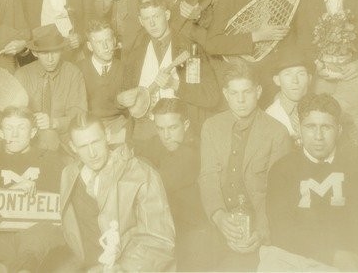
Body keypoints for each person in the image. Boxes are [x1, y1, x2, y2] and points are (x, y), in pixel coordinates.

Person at [266, 93, 358, 270]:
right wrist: (331, 256)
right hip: (303, 260)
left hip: (356, 260)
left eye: (326, 127)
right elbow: (281, 231)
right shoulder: (282, 169)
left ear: (339, 130)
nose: (318, 136)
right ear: (299, 128)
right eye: (310, 127)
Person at [199, 58, 291, 270]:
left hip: (258, 228)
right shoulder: (211, 127)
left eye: (247, 92)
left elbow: (280, 194)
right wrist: (218, 216)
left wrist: (261, 232)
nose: (240, 100)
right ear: (225, 94)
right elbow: (208, 177)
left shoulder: (277, 133)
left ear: (258, 92)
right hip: (220, 222)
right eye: (234, 93)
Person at [59, 114, 175, 271]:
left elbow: (160, 240)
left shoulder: (141, 173)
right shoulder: (68, 175)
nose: (92, 153)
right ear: (73, 147)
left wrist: (122, 269)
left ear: (107, 136)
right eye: (83, 146)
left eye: (96, 142)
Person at [119, 0, 220, 141]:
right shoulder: (135, 55)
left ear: (167, 15)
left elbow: (212, 97)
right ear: (141, 21)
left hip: (181, 134)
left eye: (156, 16)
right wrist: (122, 99)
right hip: (145, 132)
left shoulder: (190, 49)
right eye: (147, 19)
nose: (152, 24)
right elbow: (125, 97)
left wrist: (175, 85)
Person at [0, 107, 65, 272]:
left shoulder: (50, 159)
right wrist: (10, 192)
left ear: (33, 132)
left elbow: (57, 206)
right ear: (0, 133)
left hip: (36, 234)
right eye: (9, 128)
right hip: (2, 234)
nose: (15, 134)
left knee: (32, 248)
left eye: (21, 128)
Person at [134, 98, 209, 270]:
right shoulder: (163, 141)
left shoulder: (192, 151)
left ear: (186, 124)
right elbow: (138, 153)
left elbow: (151, 187)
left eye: (173, 128)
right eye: (160, 128)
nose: (166, 136)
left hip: (193, 240)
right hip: (170, 231)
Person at [14, 24, 87, 152]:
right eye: (45, 53)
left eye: (55, 52)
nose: (50, 59)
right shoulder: (23, 75)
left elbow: (79, 115)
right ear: (35, 53)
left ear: (62, 50)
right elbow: (15, 115)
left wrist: (54, 123)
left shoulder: (73, 73)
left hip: (65, 141)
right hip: (29, 142)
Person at [77, 21, 127, 140]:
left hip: (118, 123)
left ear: (114, 41)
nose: (105, 47)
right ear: (89, 46)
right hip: (89, 125)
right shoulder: (78, 69)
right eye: (99, 42)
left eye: (108, 40)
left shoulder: (125, 68)